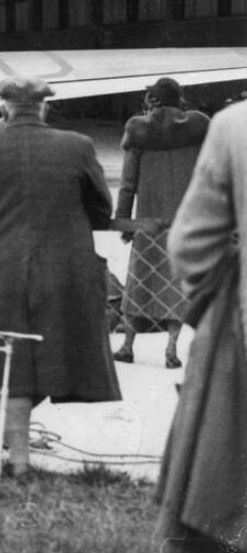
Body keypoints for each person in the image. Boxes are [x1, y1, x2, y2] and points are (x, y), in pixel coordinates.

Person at [0, 75, 120, 479]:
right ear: (44, 107)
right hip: (64, 267)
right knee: (58, 353)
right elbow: (101, 208)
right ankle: (16, 459)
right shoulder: (77, 146)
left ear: (5, 108)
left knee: (17, 360)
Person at [156, 102, 247, 553]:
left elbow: (190, 243)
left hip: (242, 333)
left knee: (230, 521)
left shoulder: (235, 125)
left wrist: (219, 306)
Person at [114, 77, 208, 369]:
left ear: (153, 100)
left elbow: (128, 184)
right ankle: (171, 348)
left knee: (139, 283)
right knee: (175, 286)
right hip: (186, 222)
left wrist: (124, 224)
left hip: (148, 223)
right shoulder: (199, 125)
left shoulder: (138, 128)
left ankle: (128, 346)